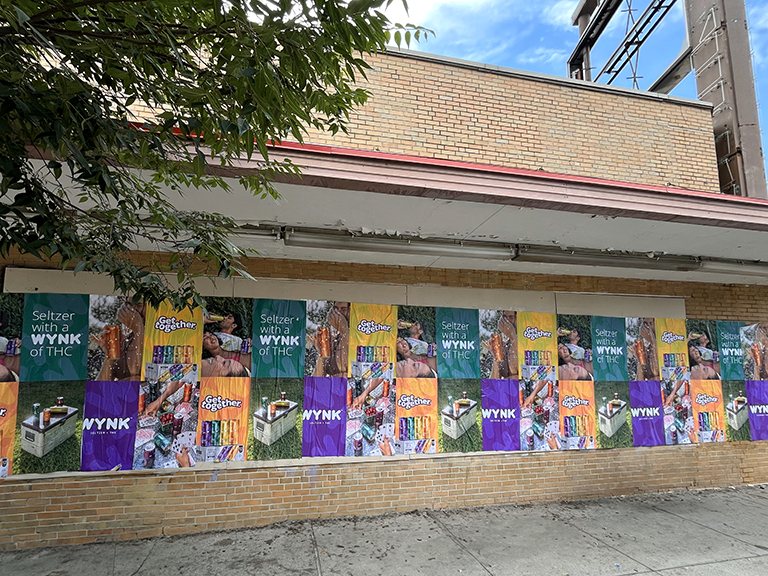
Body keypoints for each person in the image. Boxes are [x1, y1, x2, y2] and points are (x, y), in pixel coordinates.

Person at [94, 300, 145, 381]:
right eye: (128, 304)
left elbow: (142, 375)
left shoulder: (158, 336)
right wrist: (110, 357)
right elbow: (100, 386)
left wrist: (138, 327)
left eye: (139, 304)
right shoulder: (122, 339)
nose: (132, 309)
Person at [310, 301, 350, 377]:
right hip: (333, 387)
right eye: (336, 309)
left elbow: (352, 367)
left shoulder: (358, 337)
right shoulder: (334, 339)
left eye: (344, 309)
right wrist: (322, 353)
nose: (338, 314)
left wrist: (344, 329)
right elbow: (316, 379)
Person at [487, 311, 518, 379]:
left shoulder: (524, 341)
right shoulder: (503, 342)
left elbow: (525, 374)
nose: (506, 321)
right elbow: (493, 380)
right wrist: (496, 358)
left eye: (511, 317)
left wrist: (513, 336)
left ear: (517, 320)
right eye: (504, 317)